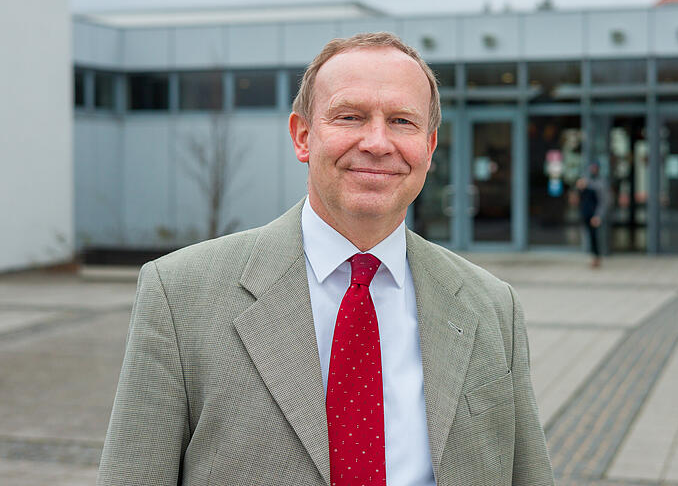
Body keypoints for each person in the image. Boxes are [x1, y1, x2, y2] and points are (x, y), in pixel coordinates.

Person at [98, 32, 554, 486]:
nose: (377, 142)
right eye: (350, 116)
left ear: (430, 148)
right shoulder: (180, 295)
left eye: (401, 121)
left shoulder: (494, 307)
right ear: (302, 136)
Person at [576, 162, 609, 268]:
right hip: (586, 214)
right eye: (591, 168)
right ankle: (593, 257)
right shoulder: (586, 181)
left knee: (596, 237)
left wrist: (598, 215)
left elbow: (604, 201)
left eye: (595, 168)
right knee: (589, 236)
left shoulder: (601, 183)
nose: (593, 170)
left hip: (594, 215)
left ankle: (597, 258)